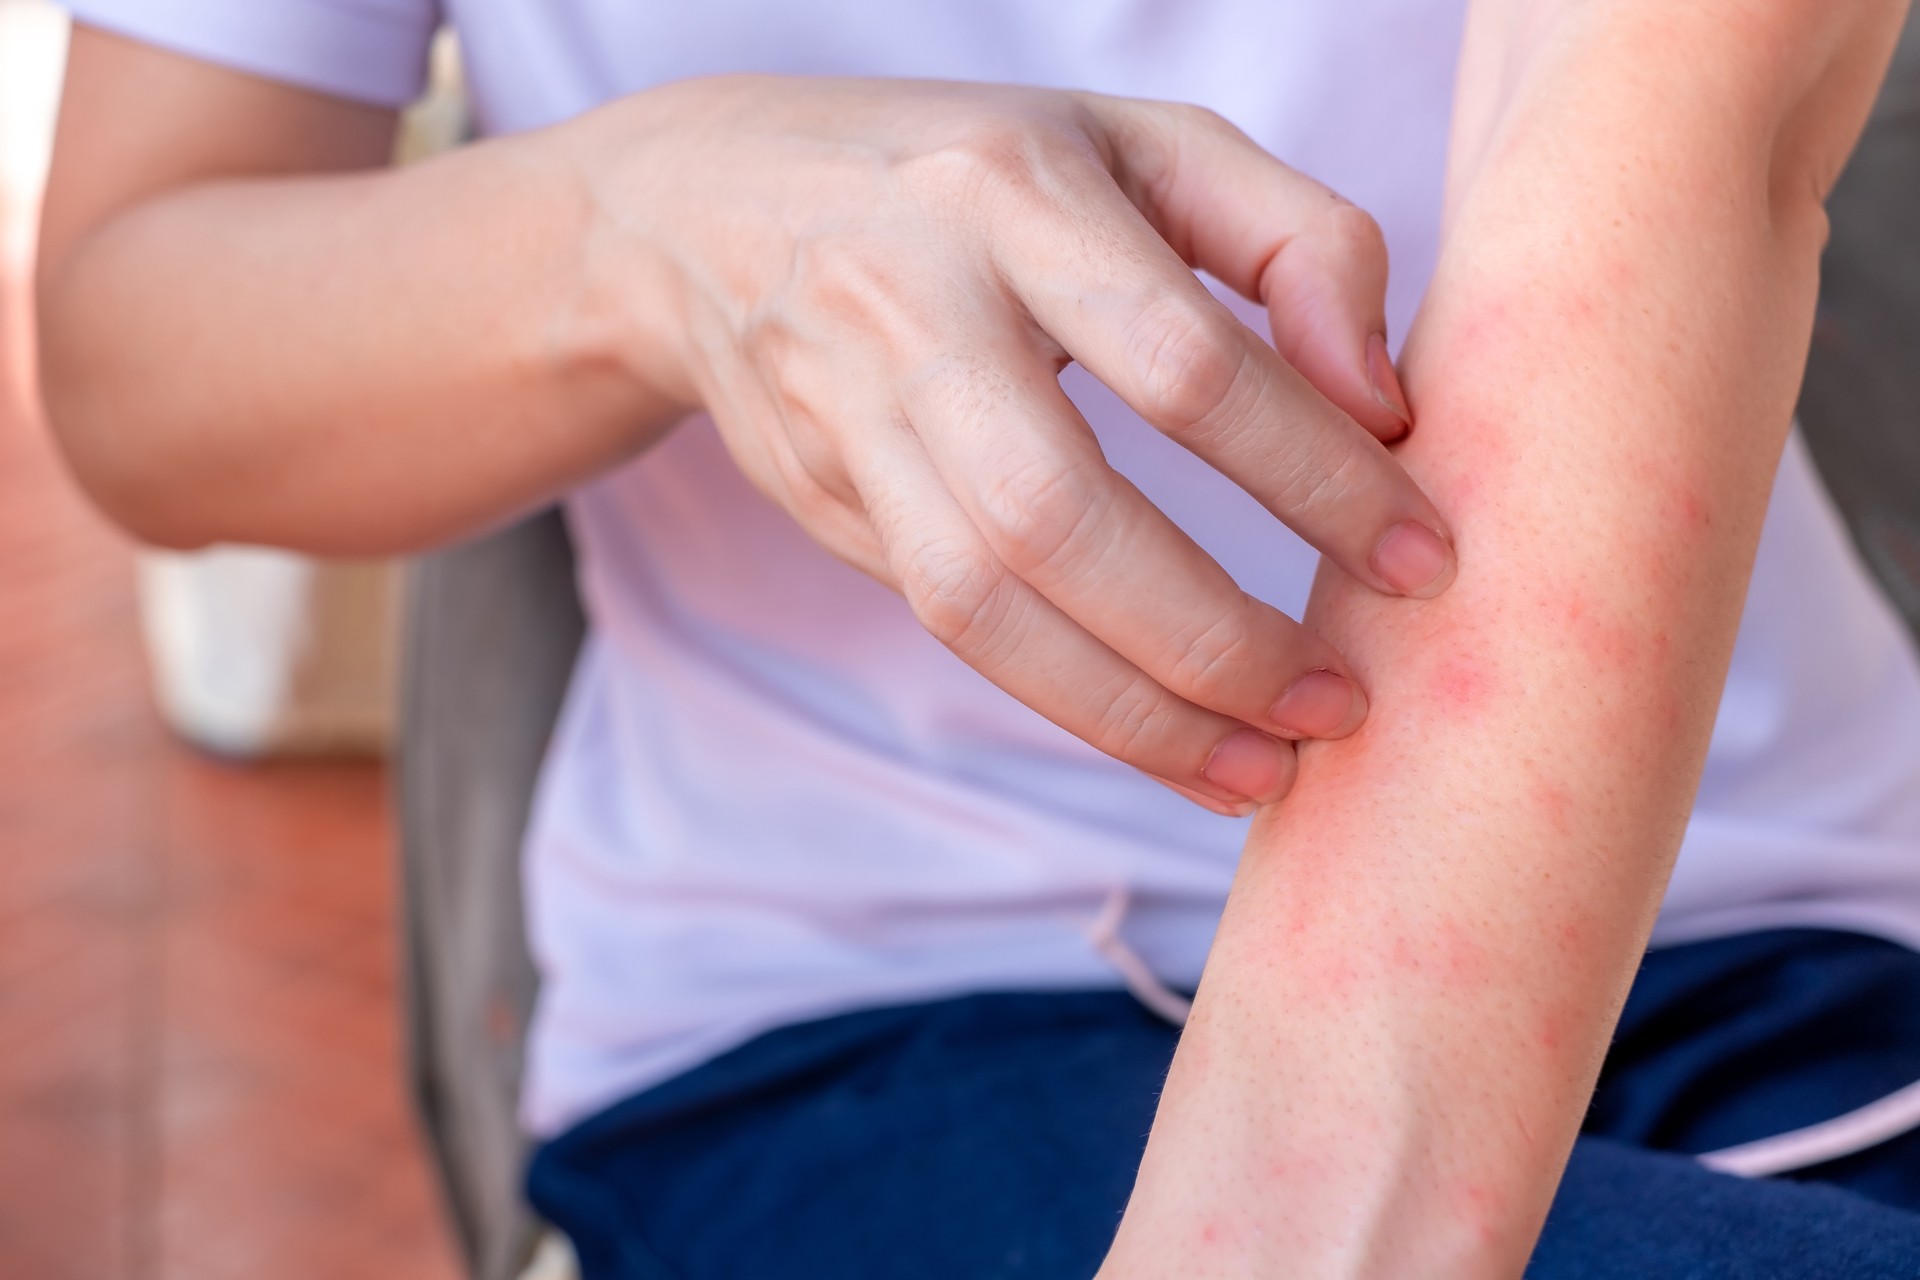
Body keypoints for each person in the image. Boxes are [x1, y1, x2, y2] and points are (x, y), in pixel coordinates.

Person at [34, 0, 1920, 1275]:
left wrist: (1306, 1181)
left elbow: (1674, 126)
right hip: (868, 992)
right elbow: (136, 350)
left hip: (1770, 909)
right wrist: (635, 229)